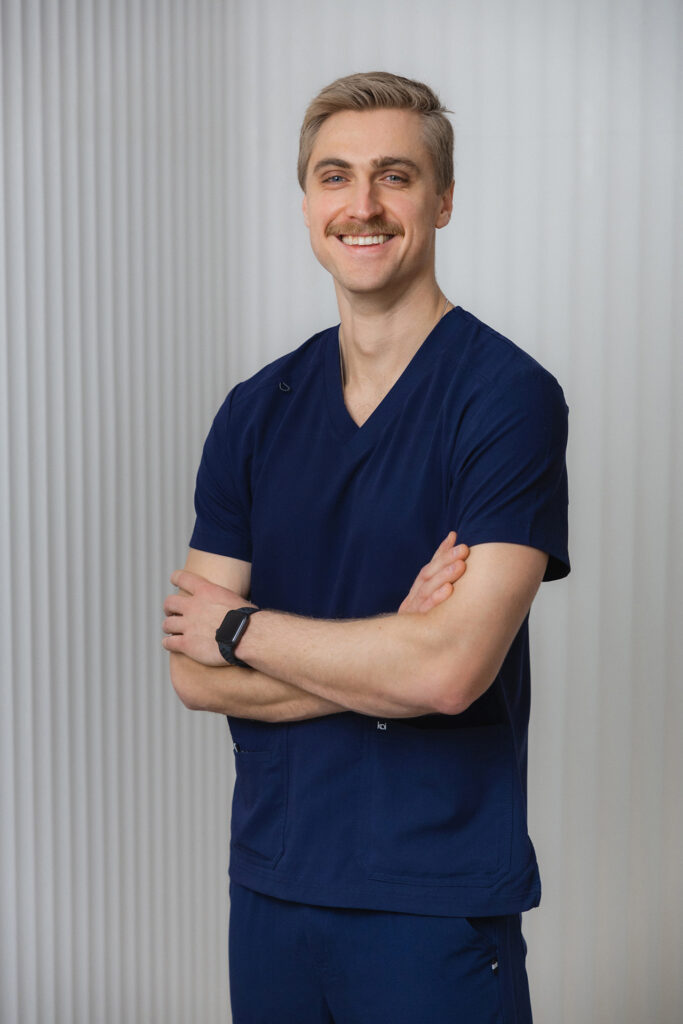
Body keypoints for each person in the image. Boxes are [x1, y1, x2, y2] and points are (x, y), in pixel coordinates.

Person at [162, 71, 570, 1024]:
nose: (363, 205)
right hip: (272, 884)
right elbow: (191, 673)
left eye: (395, 175)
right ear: (307, 202)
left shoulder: (505, 398)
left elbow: (448, 675)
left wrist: (241, 629)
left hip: (431, 898)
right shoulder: (254, 411)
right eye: (334, 176)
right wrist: (395, 643)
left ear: (442, 199)